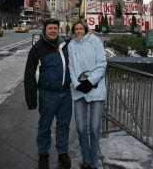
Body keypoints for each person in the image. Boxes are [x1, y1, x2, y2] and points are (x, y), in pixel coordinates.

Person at [24, 18, 72, 169]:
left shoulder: (65, 44)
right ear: (45, 30)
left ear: (59, 29)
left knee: (64, 125)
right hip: (47, 94)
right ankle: (43, 154)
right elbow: (29, 73)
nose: (53, 31)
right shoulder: (38, 47)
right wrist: (31, 99)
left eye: (55, 28)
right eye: (50, 28)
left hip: (65, 93)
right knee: (45, 125)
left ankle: (62, 152)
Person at [68, 20, 107, 169]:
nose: (78, 31)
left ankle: (94, 162)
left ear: (86, 29)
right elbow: (71, 67)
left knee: (95, 128)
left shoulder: (95, 41)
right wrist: (78, 85)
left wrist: (90, 82)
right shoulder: (71, 45)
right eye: (76, 29)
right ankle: (86, 159)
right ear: (73, 31)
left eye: (81, 28)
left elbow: (102, 64)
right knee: (81, 128)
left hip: (95, 88)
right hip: (79, 91)